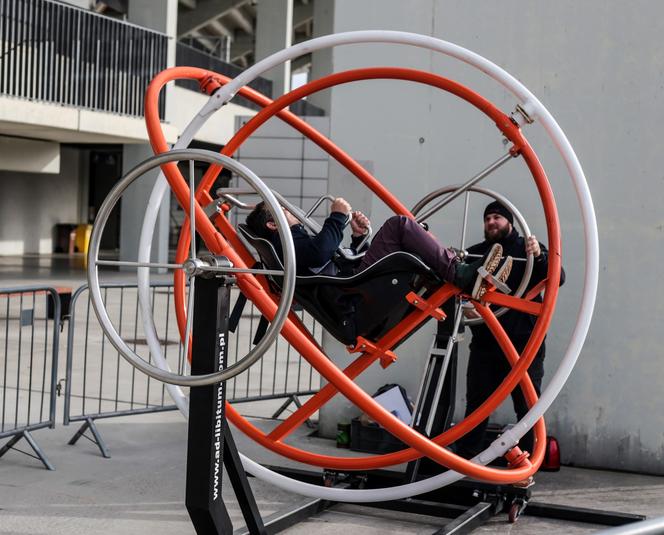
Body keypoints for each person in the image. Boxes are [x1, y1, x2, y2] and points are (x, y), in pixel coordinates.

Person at [456, 201, 565, 483]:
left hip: (523, 344)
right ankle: (465, 462)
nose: (492, 222)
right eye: (488, 218)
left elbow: (558, 278)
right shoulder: (478, 253)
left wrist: (539, 256)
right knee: (477, 406)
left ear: (510, 222)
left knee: (527, 407)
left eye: (497, 217)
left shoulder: (528, 249)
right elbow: (458, 284)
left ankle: (524, 466)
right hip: (487, 343)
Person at [244, 197, 513, 298]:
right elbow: (319, 254)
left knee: (410, 234)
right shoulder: (284, 242)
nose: (290, 210)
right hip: (350, 286)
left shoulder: (290, 240)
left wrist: (358, 239)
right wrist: (337, 217)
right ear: (272, 224)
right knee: (400, 226)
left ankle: (466, 272)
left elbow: (327, 259)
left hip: (349, 279)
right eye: (282, 210)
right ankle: (459, 273)